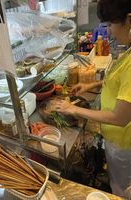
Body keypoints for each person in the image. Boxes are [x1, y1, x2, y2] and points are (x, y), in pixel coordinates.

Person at [52, 0, 131, 198]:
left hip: (123, 143)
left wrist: (74, 109)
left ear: (129, 20)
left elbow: (120, 118)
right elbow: (119, 82)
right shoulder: (128, 49)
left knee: (121, 189)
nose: (110, 32)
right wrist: (92, 85)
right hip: (117, 140)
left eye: (112, 24)